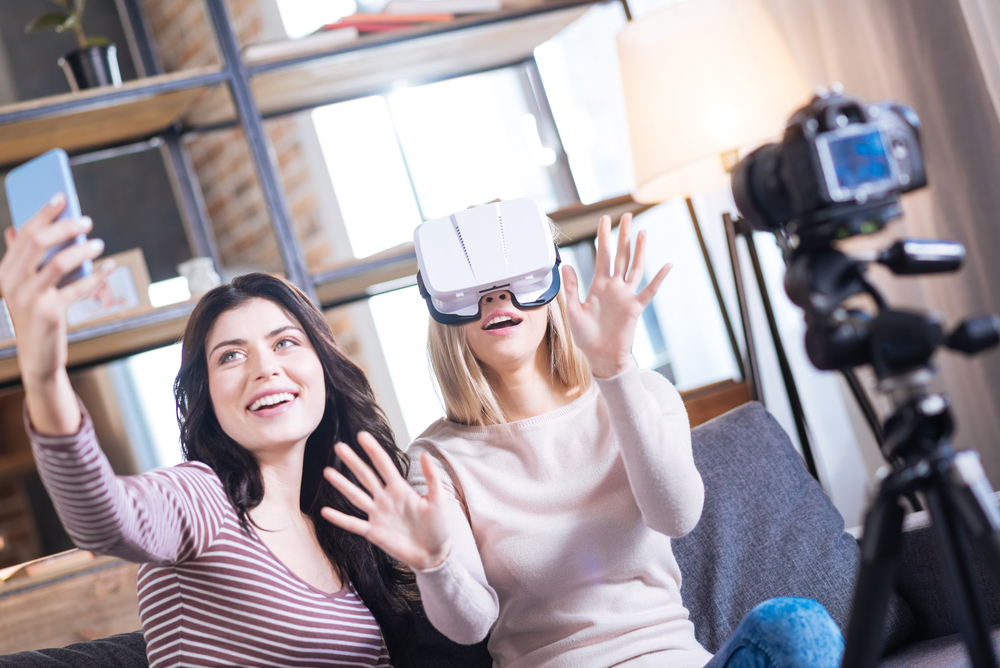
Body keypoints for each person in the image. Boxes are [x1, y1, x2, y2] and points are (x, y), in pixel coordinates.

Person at [322, 209, 846, 667]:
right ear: (442, 309)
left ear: (551, 281)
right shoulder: (439, 460)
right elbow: (470, 625)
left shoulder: (643, 392)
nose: (497, 297)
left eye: (512, 278)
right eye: (474, 287)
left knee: (796, 625)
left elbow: (677, 515)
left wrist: (615, 372)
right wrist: (434, 564)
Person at [0, 194, 419, 667]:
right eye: (232, 356)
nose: (265, 368)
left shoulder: (337, 529)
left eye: (285, 343)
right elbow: (101, 515)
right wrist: (42, 373)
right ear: (208, 396)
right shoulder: (203, 498)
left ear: (323, 368)